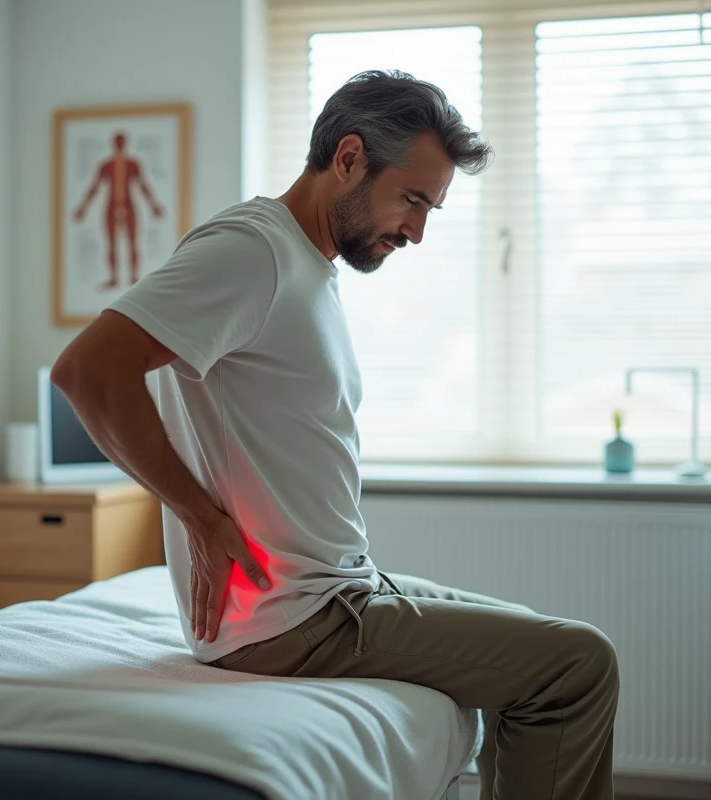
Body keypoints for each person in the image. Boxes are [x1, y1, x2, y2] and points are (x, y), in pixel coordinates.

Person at [50, 70, 618, 800]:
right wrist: (200, 516)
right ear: (348, 157)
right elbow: (89, 371)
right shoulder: (251, 250)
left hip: (340, 591)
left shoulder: (306, 264)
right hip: (301, 620)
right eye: (412, 200)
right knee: (581, 665)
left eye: (431, 208)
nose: (417, 230)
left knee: (545, 643)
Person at [72, 132, 165, 290]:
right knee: (111, 244)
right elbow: (95, 187)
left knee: (132, 241)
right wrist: (83, 207)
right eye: (118, 142)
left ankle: (134, 276)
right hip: (111, 205)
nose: (120, 145)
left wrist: (153, 205)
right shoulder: (106, 165)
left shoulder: (132, 164)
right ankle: (114, 278)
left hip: (128, 205)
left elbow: (142, 185)